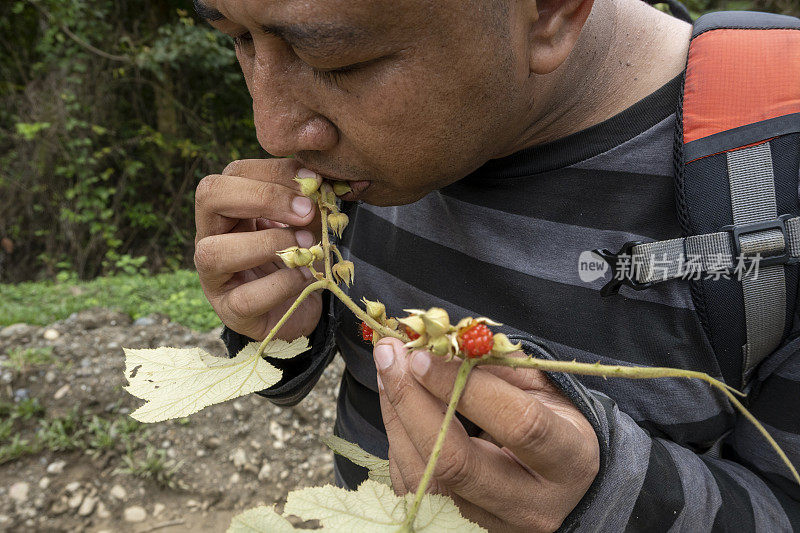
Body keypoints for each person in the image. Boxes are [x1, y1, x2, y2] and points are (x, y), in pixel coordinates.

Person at [192, 0, 800, 530]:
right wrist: (275, 323)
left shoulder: (771, 177)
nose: (270, 129)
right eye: (239, 39)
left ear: (549, 9)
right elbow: (324, 360)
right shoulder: (358, 158)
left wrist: (611, 498)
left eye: (336, 61)